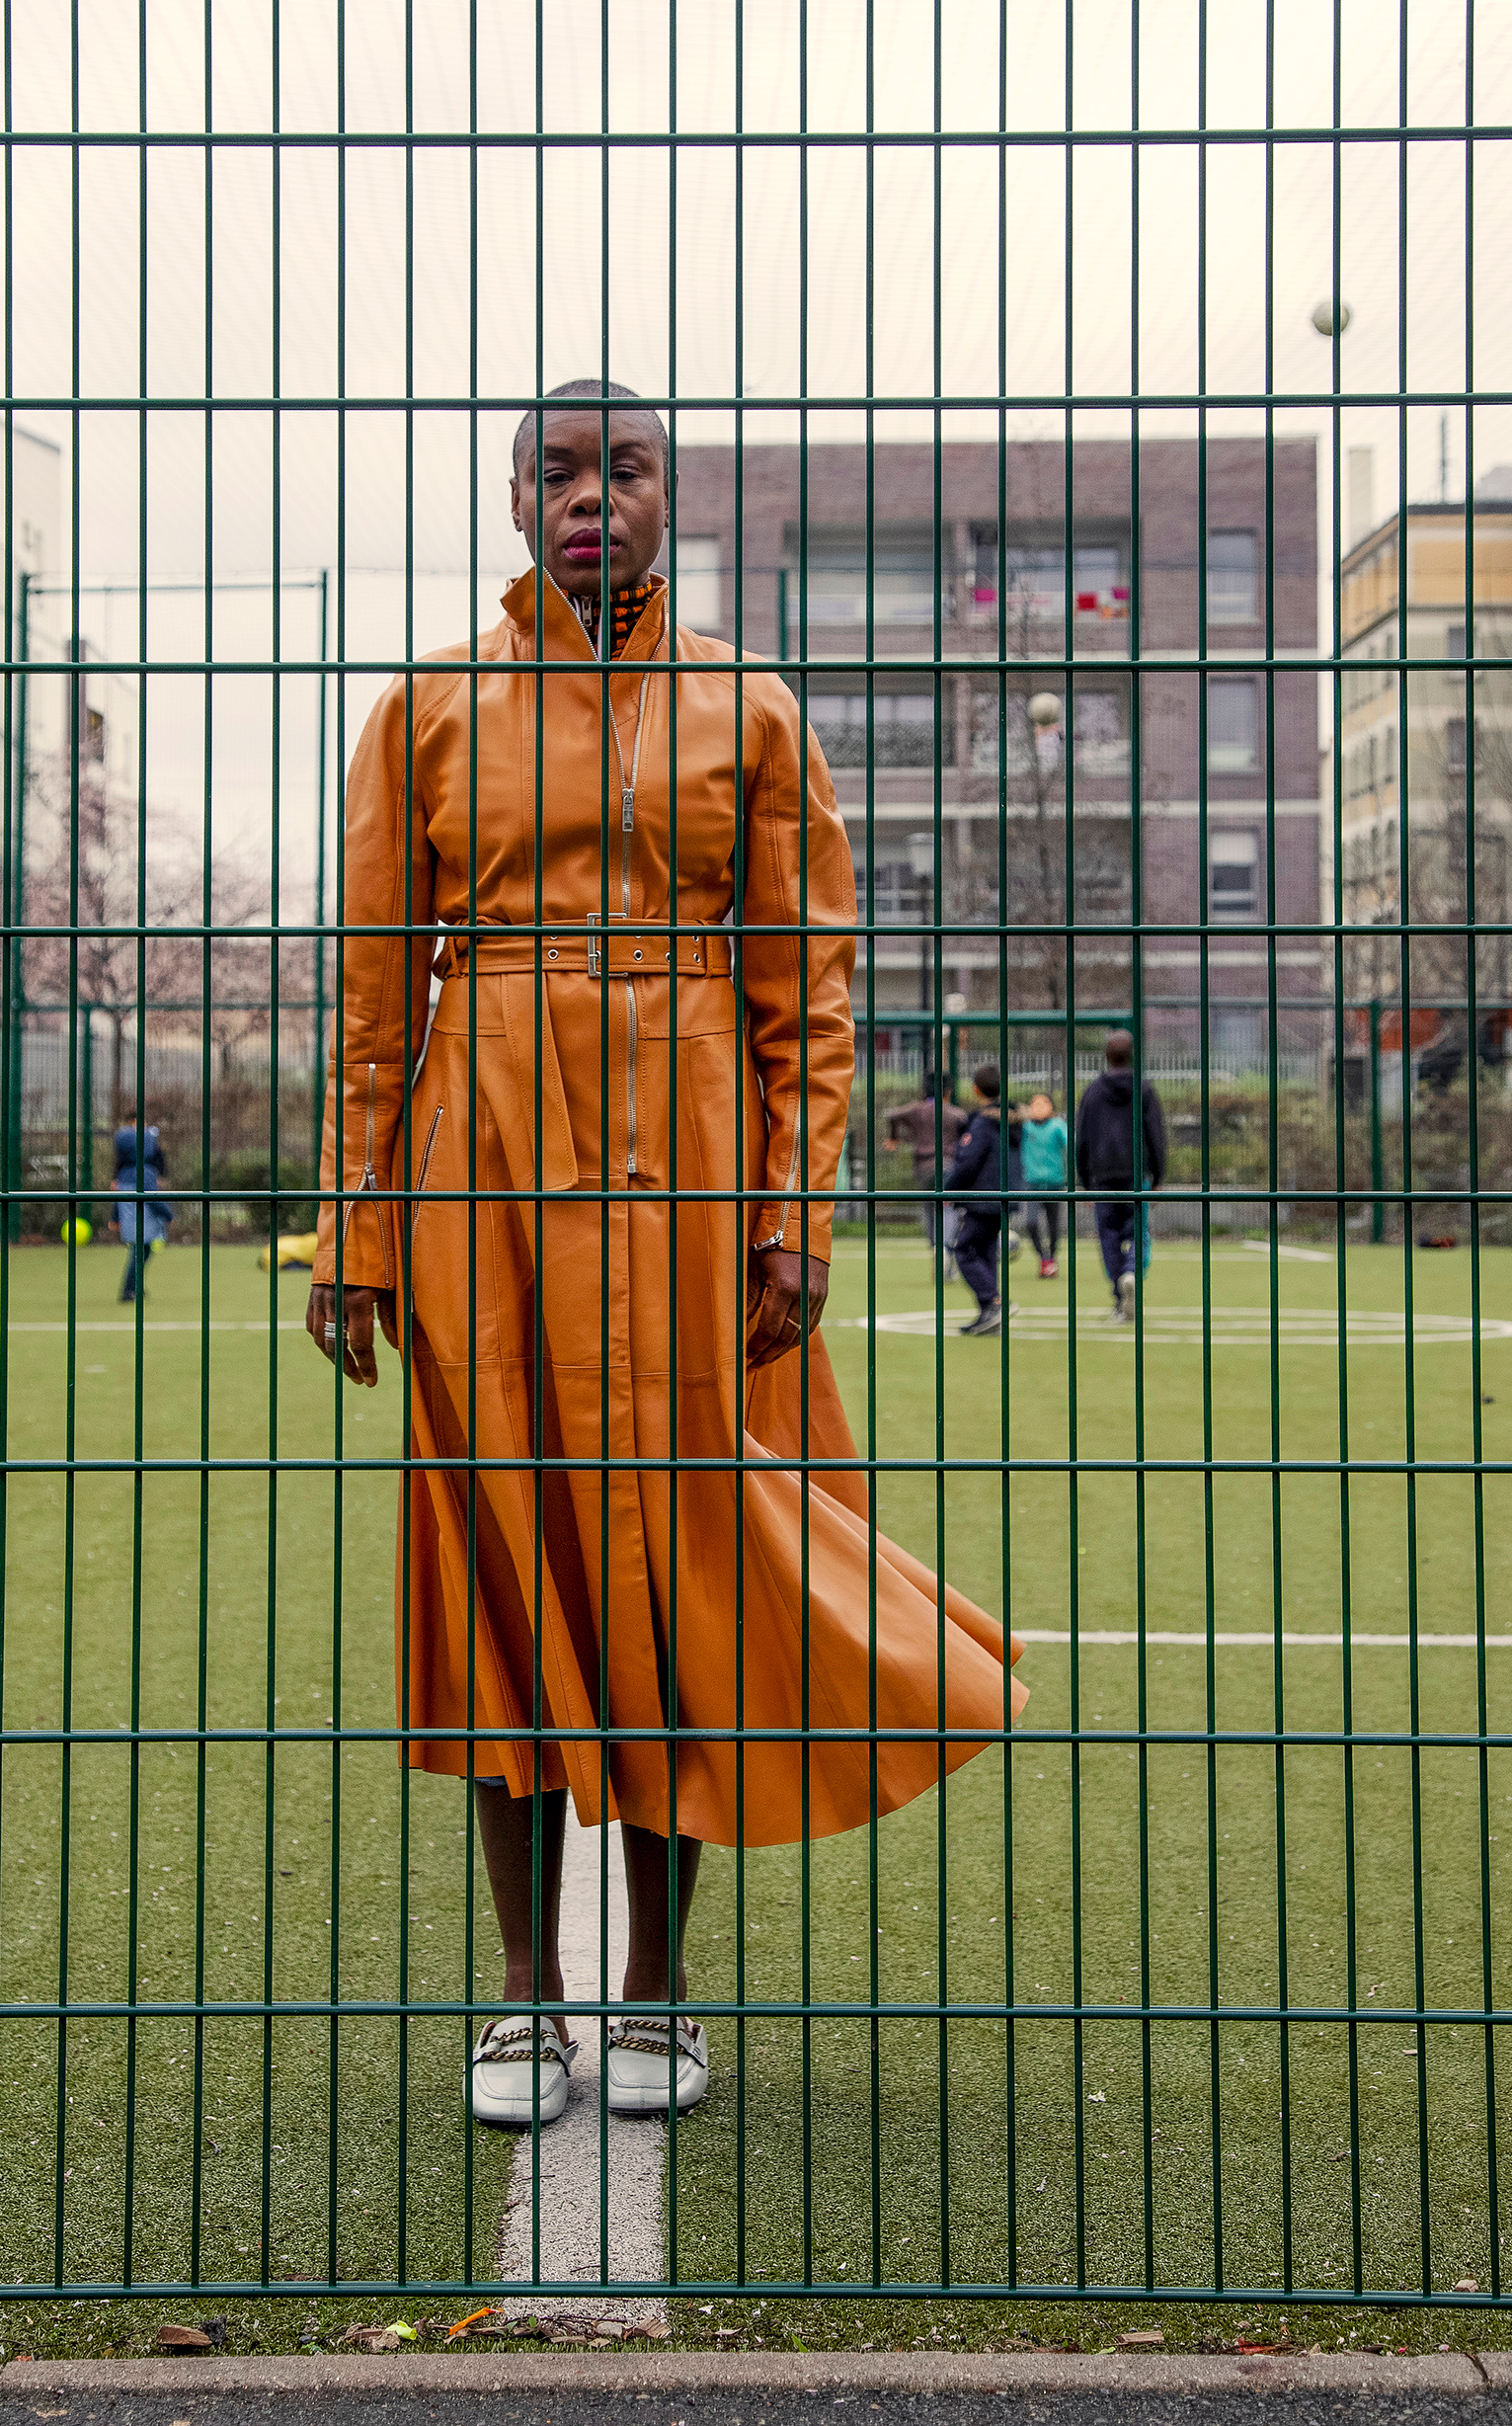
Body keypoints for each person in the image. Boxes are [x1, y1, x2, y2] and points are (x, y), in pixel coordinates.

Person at [308, 377, 1026, 2136]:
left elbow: (809, 991)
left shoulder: (747, 708)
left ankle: (655, 1994)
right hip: (479, 1170)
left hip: (693, 1168)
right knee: (498, 1559)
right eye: (554, 472)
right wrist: (357, 1224)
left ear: (667, 501)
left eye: (621, 470)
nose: (587, 500)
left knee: (680, 1561)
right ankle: (520, 1997)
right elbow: (373, 993)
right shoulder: (422, 712)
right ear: (510, 501)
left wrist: (796, 1209)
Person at [1074, 1029, 1168, 1319]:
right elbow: (1155, 1134)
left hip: (1102, 1175)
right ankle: (1131, 1272)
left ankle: (1118, 1296)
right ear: (1132, 1054)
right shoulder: (1144, 1090)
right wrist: (1158, 1176)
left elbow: (1082, 1137)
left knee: (1109, 1236)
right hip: (1135, 1172)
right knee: (1138, 1232)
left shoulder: (1092, 1091)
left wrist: (1085, 1181)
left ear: (1106, 1056)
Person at [941, 1061, 1024, 1337]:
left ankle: (993, 1301)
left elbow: (968, 1161)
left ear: (976, 1089)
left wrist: (950, 1190)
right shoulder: (1013, 1121)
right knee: (986, 1252)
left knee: (963, 1249)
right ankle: (988, 1313)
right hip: (1004, 1195)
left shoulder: (982, 1122)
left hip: (982, 1196)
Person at [883, 1073, 968, 1271]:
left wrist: (894, 1137)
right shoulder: (956, 1114)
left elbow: (892, 1115)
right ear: (948, 1091)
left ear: (924, 1090)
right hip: (947, 1165)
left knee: (929, 1209)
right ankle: (945, 1247)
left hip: (923, 1167)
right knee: (948, 1207)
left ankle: (935, 1247)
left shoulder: (916, 1110)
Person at [112, 1118, 173, 1304]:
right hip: (142, 1220)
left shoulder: (125, 1173)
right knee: (140, 1252)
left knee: (142, 1251)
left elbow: (118, 1196)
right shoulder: (143, 1171)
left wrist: (115, 1217)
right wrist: (167, 1214)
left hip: (136, 1220)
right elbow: (152, 1197)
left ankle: (134, 1286)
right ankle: (129, 1290)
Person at [1019, 1092, 1069, 1277]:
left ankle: (1052, 1259)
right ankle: (1044, 1258)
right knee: (1030, 1223)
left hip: (1054, 1183)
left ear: (1051, 1107)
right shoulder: (1025, 1126)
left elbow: (1071, 1141)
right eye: (1035, 1104)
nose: (1039, 1107)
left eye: (1043, 1103)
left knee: (1053, 1226)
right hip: (1032, 1183)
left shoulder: (1057, 1125)